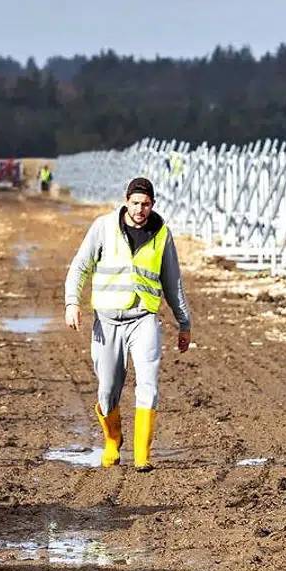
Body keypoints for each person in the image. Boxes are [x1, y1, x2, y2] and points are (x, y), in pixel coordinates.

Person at [65, 177, 193, 471]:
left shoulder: (161, 234)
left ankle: (142, 455)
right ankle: (112, 440)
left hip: (144, 318)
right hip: (107, 321)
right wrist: (72, 302)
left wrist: (184, 323)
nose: (140, 209)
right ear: (125, 201)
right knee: (108, 389)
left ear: (153, 205)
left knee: (148, 382)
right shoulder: (103, 227)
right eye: (135, 203)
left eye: (145, 204)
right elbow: (80, 266)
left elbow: (173, 283)